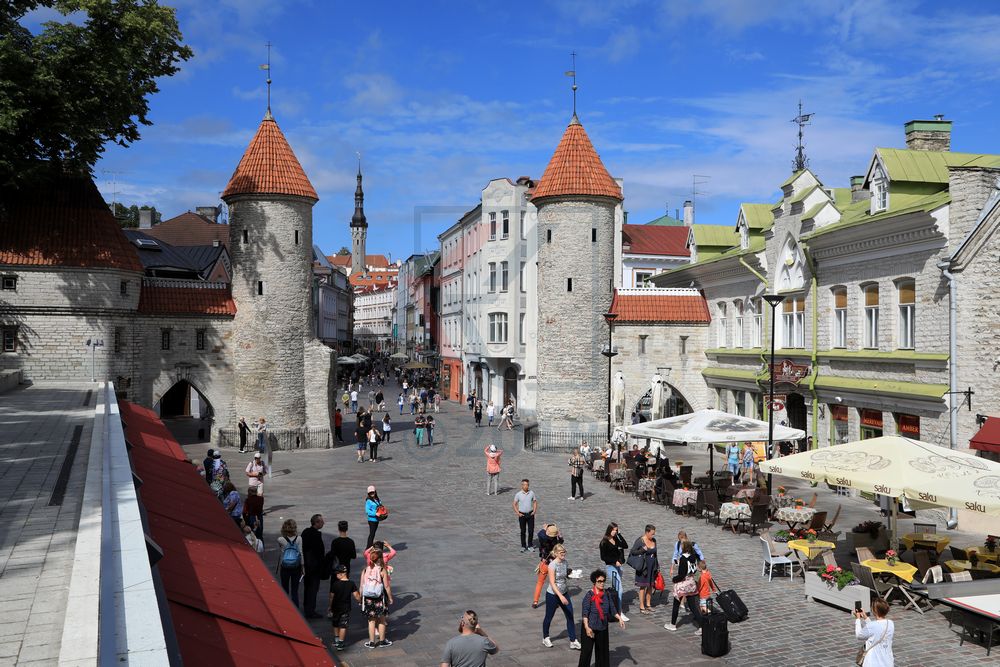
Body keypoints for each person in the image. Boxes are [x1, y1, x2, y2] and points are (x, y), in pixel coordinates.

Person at [579, 569, 625, 667]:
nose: (602, 583)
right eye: (599, 581)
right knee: (586, 653)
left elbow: (612, 608)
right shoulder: (589, 595)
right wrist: (587, 628)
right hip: (590, 627)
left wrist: (619, 618)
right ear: (594, 582)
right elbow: (585, 613)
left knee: (602, 653)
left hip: (602, 626)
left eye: (603, 581)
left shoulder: (607, 594)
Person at [541, 544, 580, 649]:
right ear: (556, 553)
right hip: (553, 594)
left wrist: (573, 575)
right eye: (561, 553)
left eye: (564, 553)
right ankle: (545, 637)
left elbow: (565, 576)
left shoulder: (565, 562)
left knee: (570, 615)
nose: (563, 555)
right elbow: (553, 583)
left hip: (564, 592)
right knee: (549, 617)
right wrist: (560, 597)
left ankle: (573, 640)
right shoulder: (552, 565)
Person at [664, 540, 702, 633]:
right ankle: (702, 626)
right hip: (691, 583)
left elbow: (681, 575)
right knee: (693, 606)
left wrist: (674, 579)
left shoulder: (683, 559)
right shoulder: (693, 557)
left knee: (676, 604)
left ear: (684, 548)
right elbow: (693, 569)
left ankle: (672, 624)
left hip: (683, 584)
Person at [360, 548, 394, 649]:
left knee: (371, 621)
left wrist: (361, 598)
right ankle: (382, 641)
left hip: (368, 598)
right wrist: (390, 598)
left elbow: (362, 586)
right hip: (379, 598)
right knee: (381, 620)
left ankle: (371, 642)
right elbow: (387, 586)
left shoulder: (365, 570)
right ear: (379, 559)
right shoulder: (382, 570)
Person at [599, 523, 630, 621]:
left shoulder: (616, 539)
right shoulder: (604, 542)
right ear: (609, 530)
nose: (615, 532)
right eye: (613, 530)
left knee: (617, 589)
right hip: (611, 567)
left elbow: (625, 545)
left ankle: (615, 608)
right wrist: (614, 561)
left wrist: (620, 535)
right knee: (619, 589)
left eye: (616, 530)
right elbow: (603, 557)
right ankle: (619, 612)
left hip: (618, 567)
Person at [328, 565, 360, 651]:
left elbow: (331, 597)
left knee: (335, 623)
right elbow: (356, 595)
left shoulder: (335, 584)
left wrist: (330, 606)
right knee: (343, 625)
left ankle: (336, 639)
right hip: (346, 608)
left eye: (337, 573)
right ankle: (341, 643)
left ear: (343, 574)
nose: (336, 575)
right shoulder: (351, 583)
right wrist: (360, 601)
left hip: (335, 607)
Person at [300, 514, 326, 619]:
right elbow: (319, 552)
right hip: (314, 567)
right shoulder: (316, 535)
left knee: (307, 588)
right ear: (316, 523)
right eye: (321, 521)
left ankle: (307, 607)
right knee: (313, 589)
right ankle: (310, 610)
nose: (323, 523)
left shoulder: (305, 532)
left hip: (306, 565)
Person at [855, 598, 894, 666]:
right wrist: (865, 617)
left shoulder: (872, 625)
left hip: (873, 662)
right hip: (887, 662)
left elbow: (859, 635)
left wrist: (858, 619)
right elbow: (876, 629)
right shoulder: (890, 623)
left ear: (874, 611)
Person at [629, 524, 659, 614]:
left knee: (650, 585)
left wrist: (657, 566)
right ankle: (642, 606)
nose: (653, 536)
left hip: (652, 567)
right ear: (647, 532)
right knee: (643, 586)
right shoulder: (640, 541)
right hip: (643, 567)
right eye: (652, 534)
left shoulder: (654, 540)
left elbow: (655, 554)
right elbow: (632, 552)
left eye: (654, 534)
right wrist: (642, 550)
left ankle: (648, 605)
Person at [534, 524, 564, 608]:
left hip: (545, 563)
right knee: (554, 583)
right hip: (554, 564)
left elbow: (540, 533)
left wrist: (544, 528)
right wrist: (558, 532)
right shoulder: (557, 542)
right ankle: (556, 601)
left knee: (540, 582)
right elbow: (561, 539)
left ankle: (535, 601)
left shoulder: (543, 539)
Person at [277, 518, 303, 607]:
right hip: (296, 567)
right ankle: (296, 610)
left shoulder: (280, 539)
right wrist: (303, 567)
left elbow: (281, 550)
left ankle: (285, 607)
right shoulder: (299, 539)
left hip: (285, 567)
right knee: (295, 591)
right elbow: (301, 553)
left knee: (285, 589)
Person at [512, 479, 537, 553]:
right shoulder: (518, 494)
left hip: (530, 514)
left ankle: (530, 545)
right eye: (525, 485)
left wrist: (534, 511)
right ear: (522, 485)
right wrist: (518, 513)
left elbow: (535, 502)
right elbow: (514, 504)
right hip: (522, 514)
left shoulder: (531, 493)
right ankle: (523, 546)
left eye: (527, 485)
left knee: (531, 530)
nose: (526, 486)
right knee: (523, 531)